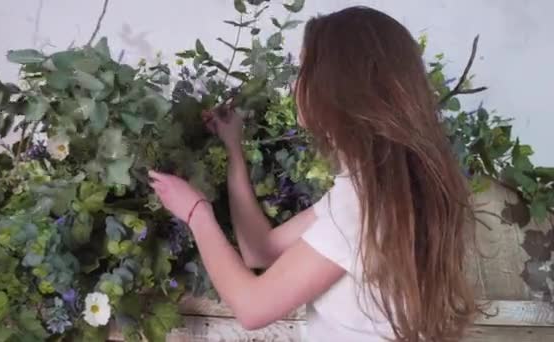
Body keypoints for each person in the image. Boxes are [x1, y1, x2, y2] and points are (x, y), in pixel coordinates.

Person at [149, 6, 477, 342]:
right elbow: (261, 249)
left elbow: (252, 307)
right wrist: (234, 148)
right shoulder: (373, 192)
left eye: (304, 69)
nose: (294, 85)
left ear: (336, 86)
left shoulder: (360, 211)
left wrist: (196, 213)